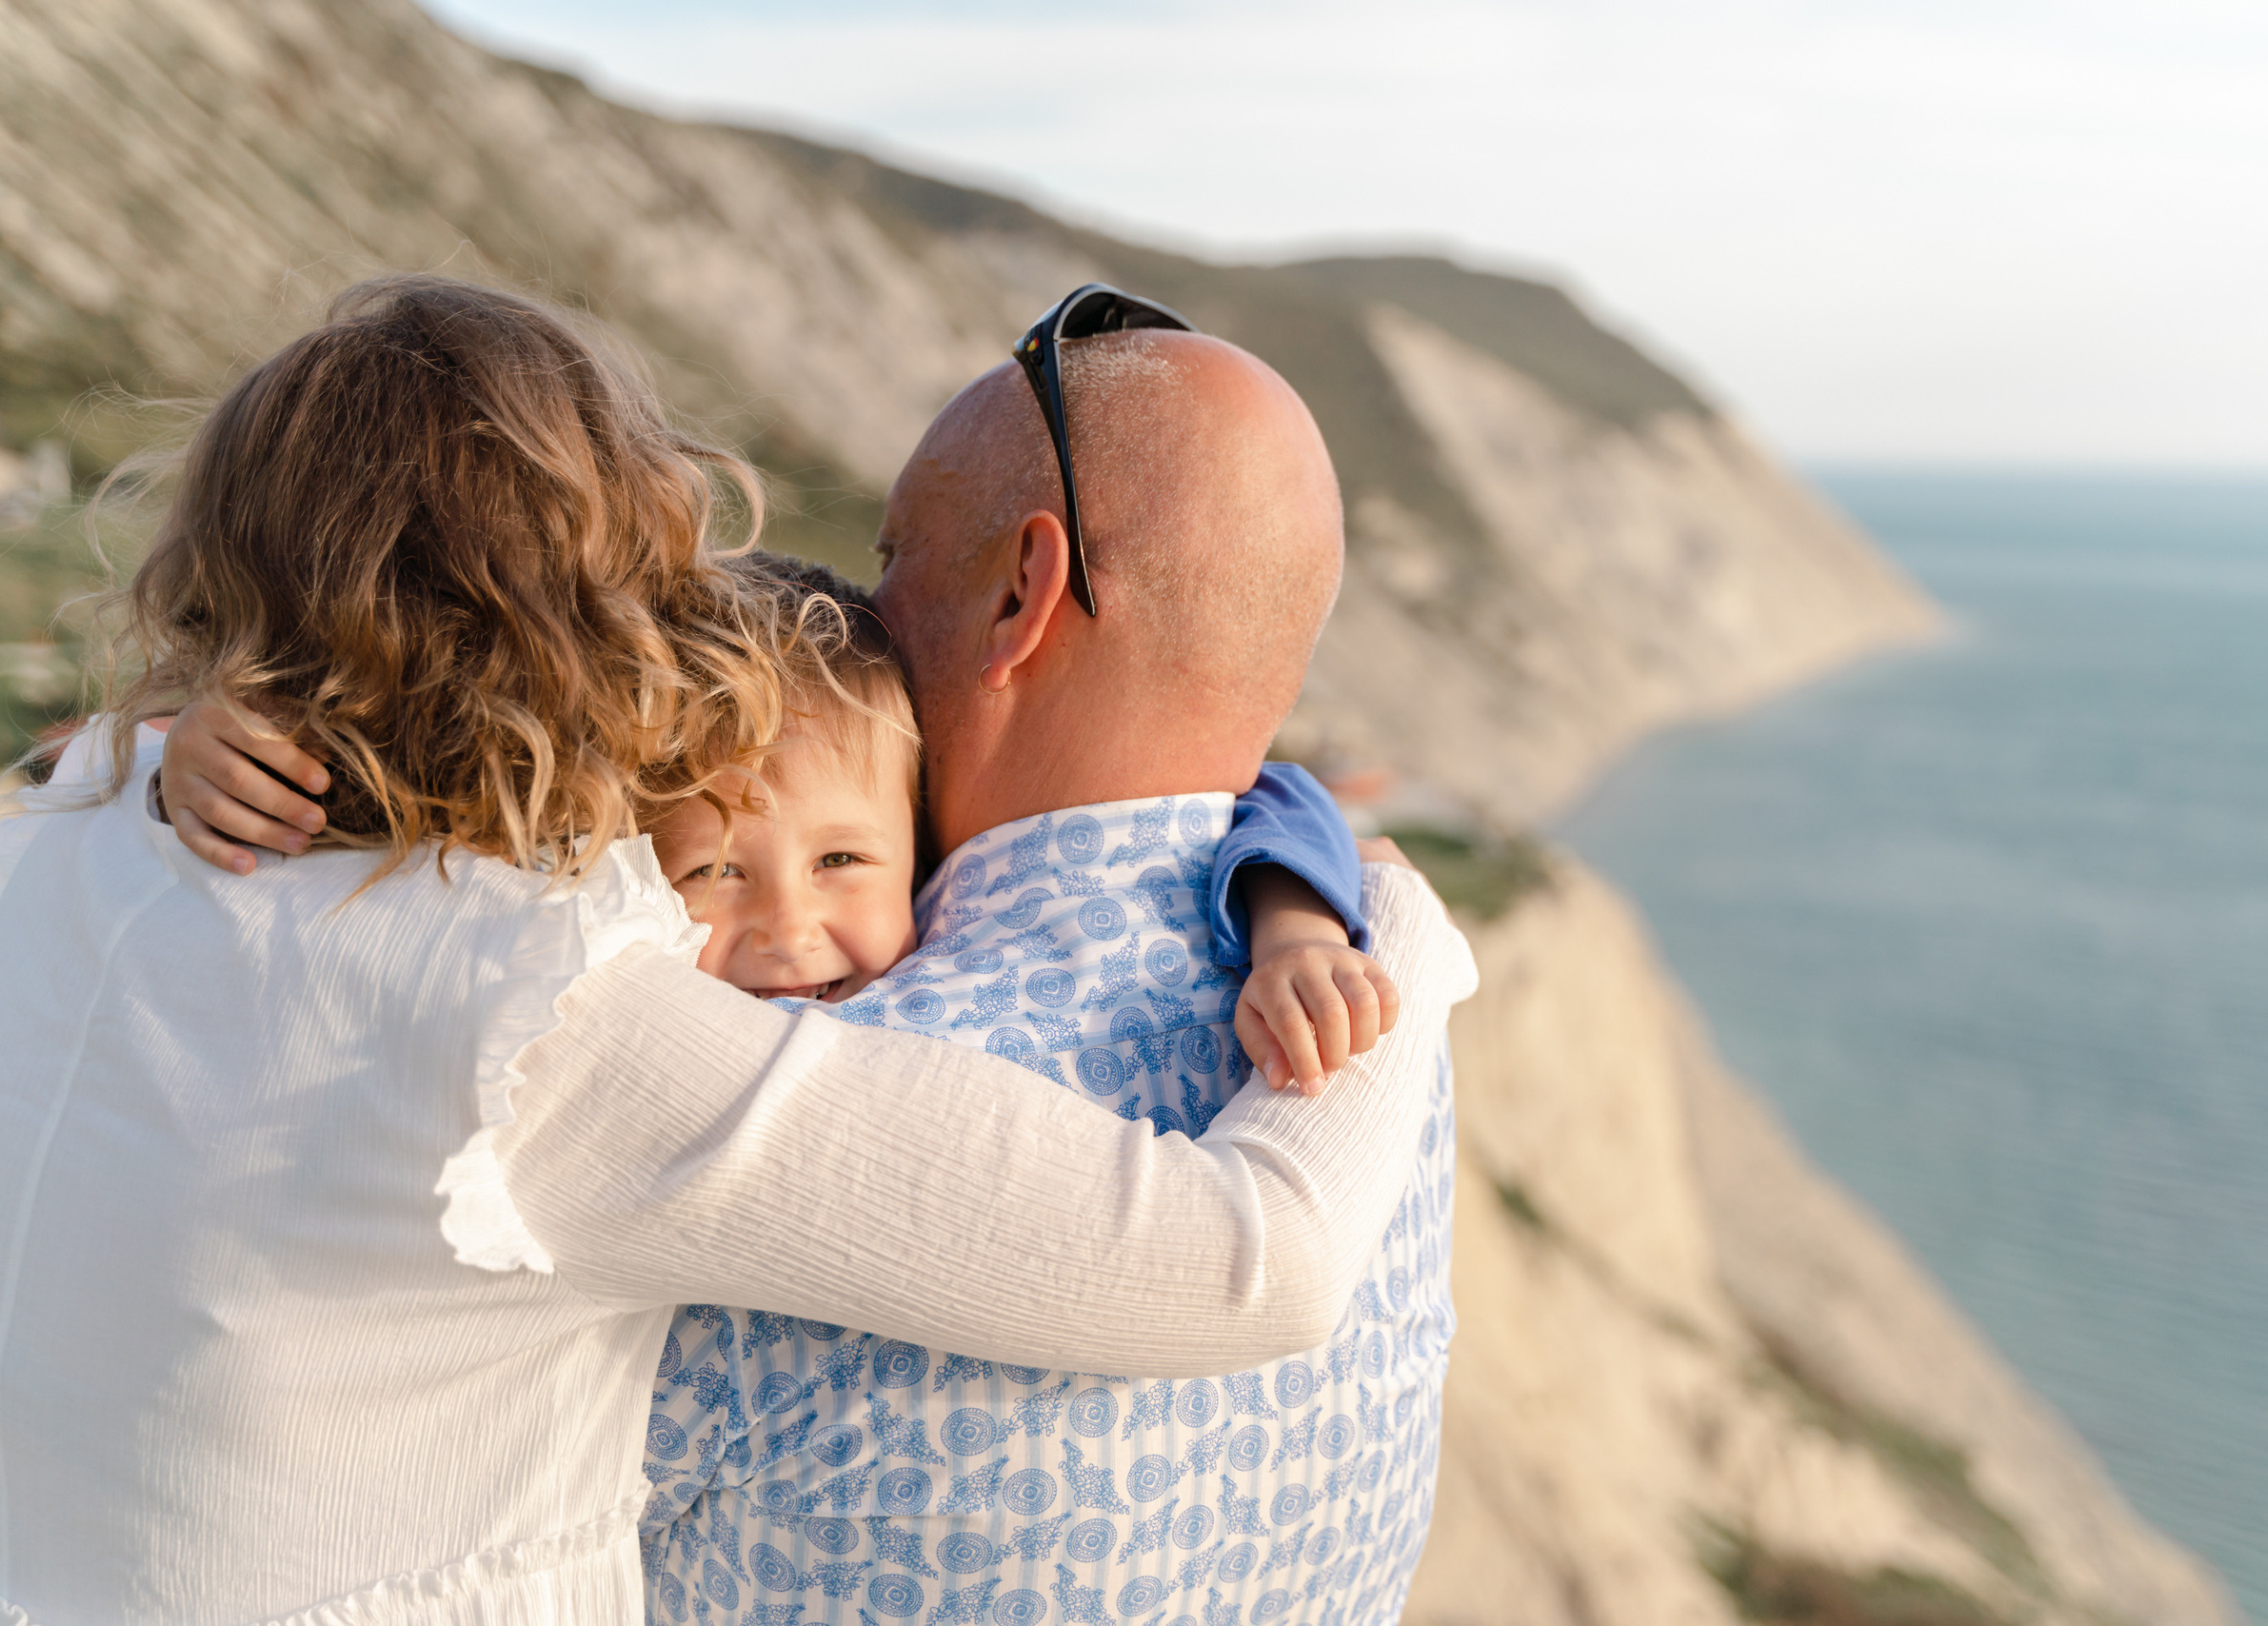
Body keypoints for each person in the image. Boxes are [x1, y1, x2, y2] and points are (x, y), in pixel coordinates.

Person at [0, 277, 1473, 1624]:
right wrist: (1397, 923)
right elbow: (1248, 1261)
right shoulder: (558, 1034)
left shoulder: (65, 840)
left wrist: (152, 742)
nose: (862, 615)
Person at [629, 328, 1462, 1624]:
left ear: (1024, 592)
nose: (864, 621)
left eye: (895, 562)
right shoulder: (1377, 1003)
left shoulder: (791, 1107)